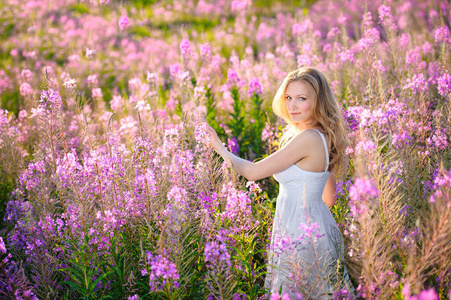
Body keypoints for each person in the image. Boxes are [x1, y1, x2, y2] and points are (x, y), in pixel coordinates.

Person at [205, 67, 353, 298]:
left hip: (299, 229)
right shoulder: (322, 136)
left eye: (301, 99)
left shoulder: (308, 138)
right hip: (314, 224)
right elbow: (329, 199)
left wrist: (219, 148)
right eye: (288, 97)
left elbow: (253, 172)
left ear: (318, 101)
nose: (292, 106)